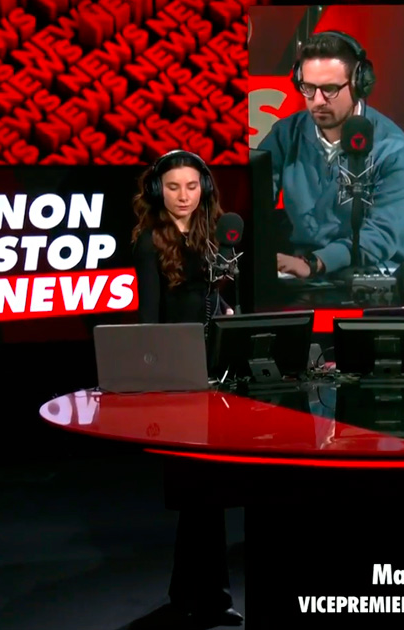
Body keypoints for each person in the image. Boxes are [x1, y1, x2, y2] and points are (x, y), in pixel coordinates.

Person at [131, 150, 243, 628]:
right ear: (159, 191)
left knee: (210, 493)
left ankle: (205, 597)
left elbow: (221, 299)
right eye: (174, 187)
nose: (183, 196)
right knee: (197, 493)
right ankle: (195, 597)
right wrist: (155, 379)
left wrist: (228, 312)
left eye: (192, 187)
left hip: (215, 372)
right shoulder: (149, 241)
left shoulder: (213, 234)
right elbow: (150, 318)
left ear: (205, 189)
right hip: (177, 377)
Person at [255, 30, 404, 279]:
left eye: (329, 89)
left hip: (373, 274)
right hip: (301, 270)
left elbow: (381, 234)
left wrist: (316, 263)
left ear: (358, 84)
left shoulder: (393, 148)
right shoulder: (286, 134)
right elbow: (254, 199)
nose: (317, 100)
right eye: (308, 88)